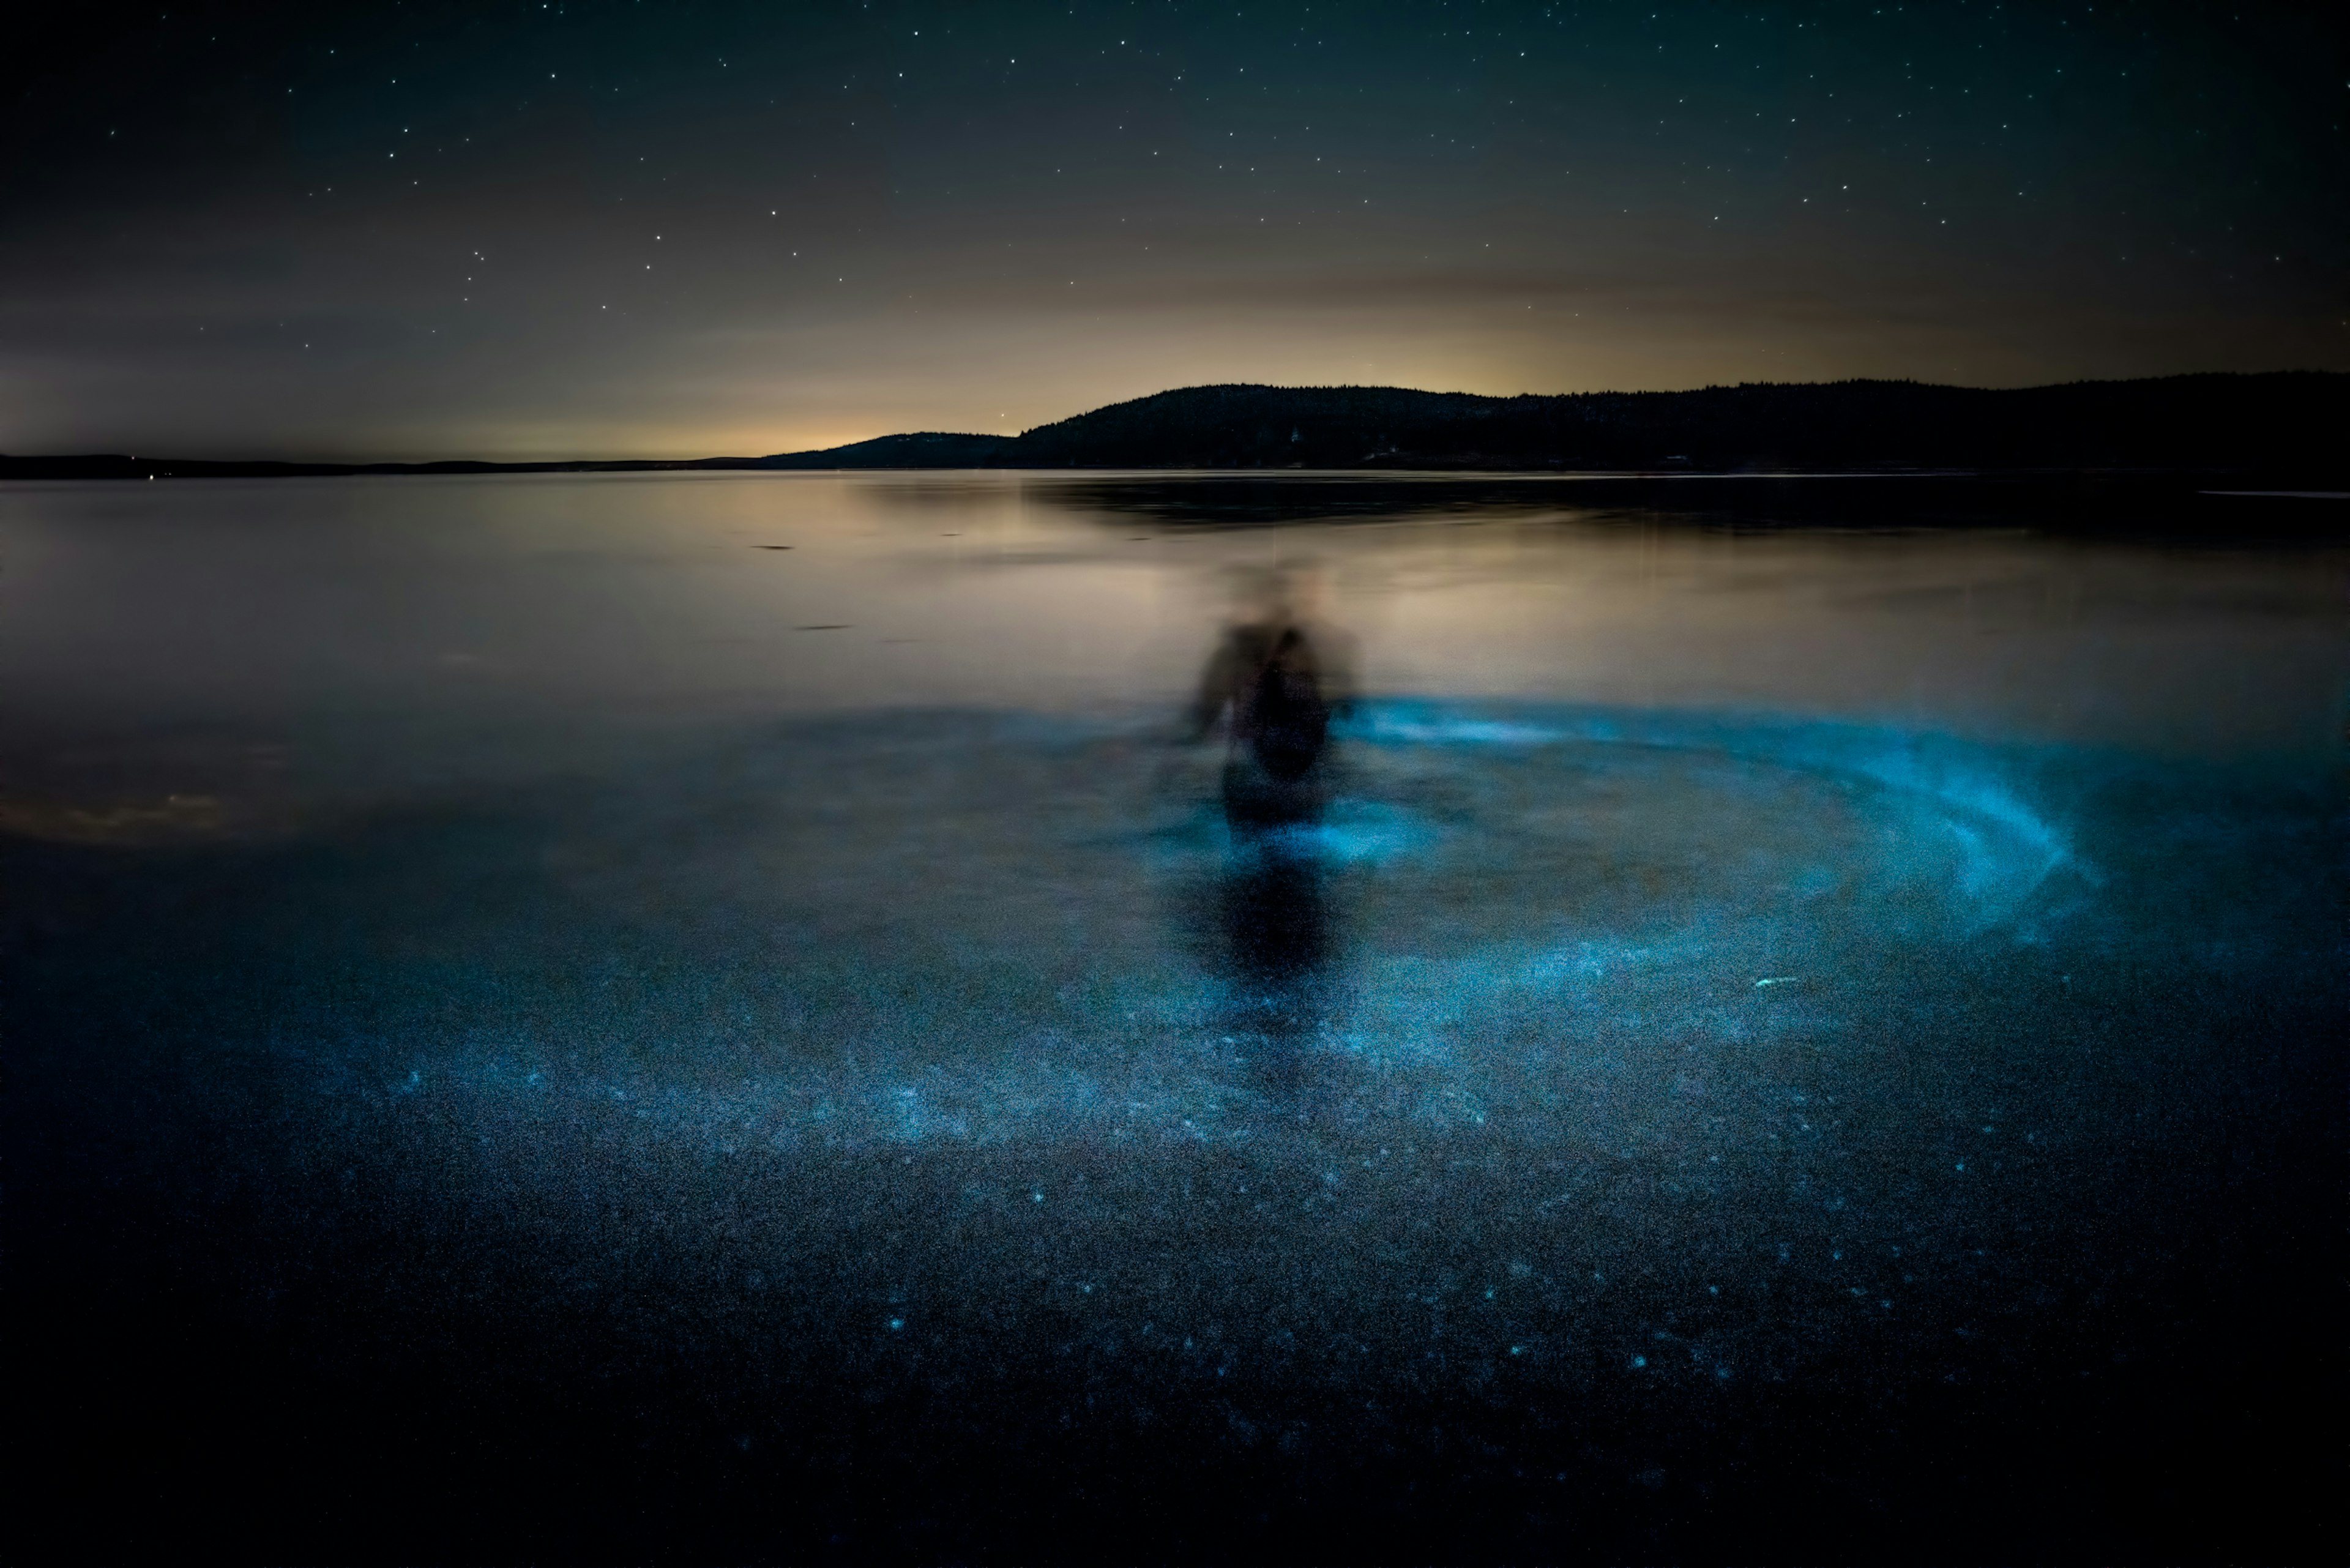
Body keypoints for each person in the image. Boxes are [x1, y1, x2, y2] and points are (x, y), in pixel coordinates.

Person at [1185, 564, 1356, 831]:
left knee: (1267, 855)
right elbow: (1333, 713)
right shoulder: (1296, 650)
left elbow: (1202, 719)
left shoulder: (1243, 653)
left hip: (1269, 778)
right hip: (1288, 778)